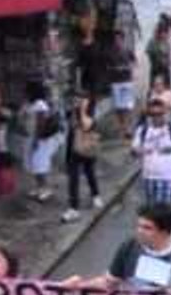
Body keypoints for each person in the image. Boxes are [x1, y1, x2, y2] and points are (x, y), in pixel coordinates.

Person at [61, 91, 103, 223]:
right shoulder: (73, 112)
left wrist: (82, 110)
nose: (78, 101)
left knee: (90, 172)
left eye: (82, 99)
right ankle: (74, 208)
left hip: (86, 148)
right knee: (73, 179)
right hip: (74, 149)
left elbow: (87, 125)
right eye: (77, 99)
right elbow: (68, 127)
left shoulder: (90, 113)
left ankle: (95, 195)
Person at [133, 98, 171, 206]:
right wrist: (140, 151)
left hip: (168, 176)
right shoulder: (143, 130)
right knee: (151, 210)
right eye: (153, 114)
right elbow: (134, 150)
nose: (157, 117)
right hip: (149, 176)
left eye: (160, 114)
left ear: (165, 113)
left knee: (164, 211)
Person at [24, 80, 60, 203]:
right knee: (34, 164)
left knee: (40, 164)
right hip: (33, 137)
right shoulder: (33, 104)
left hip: (39, 139)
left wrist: (36, 139)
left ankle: (45, 188)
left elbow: (41, 124)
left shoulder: (40, 104)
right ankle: (39, 187)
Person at [107, 32, 137, 141]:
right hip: (115, 82)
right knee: (118, 107)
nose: (117, 41)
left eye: (119, 39)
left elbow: (134, 63)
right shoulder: (110, 52)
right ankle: (122, 128)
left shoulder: (128, 50)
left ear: (123, 40)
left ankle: (128, 129)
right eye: (115, 39)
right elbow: (107, 66)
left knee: (128, 107)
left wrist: (127, 67)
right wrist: (114, 69)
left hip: (127, 81)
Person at [147, 20, 171, 87]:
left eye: (165, 33)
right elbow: (149, 54)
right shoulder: (152, 42)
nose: (164, 35)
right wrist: (159, 59)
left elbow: (168, 56)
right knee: (154, 88)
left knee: (167, 88)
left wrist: (169, 61)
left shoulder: (166, 42)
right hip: (156, 69)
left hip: (165, 69)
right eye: (162, 32)